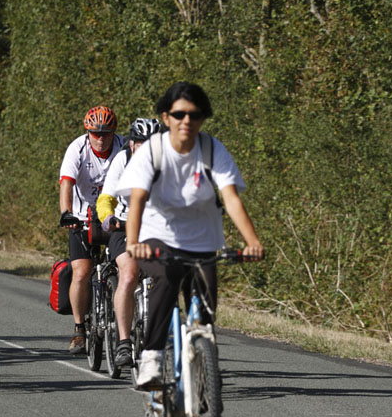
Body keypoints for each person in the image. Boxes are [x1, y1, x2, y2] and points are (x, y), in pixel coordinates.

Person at [116, 82, 265, 388]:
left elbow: (231, 198)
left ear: (202, 118)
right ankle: (152, 358)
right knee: (168, 278)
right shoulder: (153, 152)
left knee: (206, 299)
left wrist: (252, 242)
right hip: (158, 233)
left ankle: (203, 362)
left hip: (202, 238)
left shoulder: (211, 149)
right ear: (166, 117)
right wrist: (133, 243)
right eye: (179, 114)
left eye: (195, 114)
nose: (187, 120)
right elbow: (138, 200)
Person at [58, 106, 126, 355]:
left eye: (105, 133)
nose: (100, 138)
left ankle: (124, 331)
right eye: (95, 133)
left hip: (114, 215)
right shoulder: (77, 148)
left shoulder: (124, 147)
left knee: (125, 268)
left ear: (113, 132)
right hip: (82, 216)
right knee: (81, 271)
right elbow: (67, 182)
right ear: (87, 132)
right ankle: (79, 330)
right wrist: (67, 213)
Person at [95, 118, 162, 367]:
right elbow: (106, 198)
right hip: (123, 228)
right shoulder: (122, 161)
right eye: (141, 143)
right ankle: (124, 341)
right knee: (130, 272)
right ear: (132, 145)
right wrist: (108, 218)